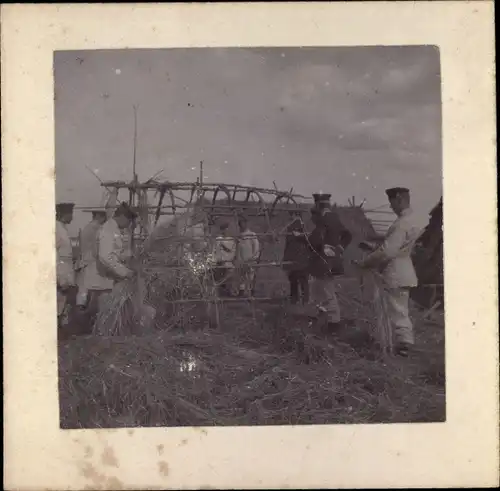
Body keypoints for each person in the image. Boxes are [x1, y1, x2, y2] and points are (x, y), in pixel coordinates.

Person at [356, 187, 422, 357]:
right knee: (400, 309)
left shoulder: (401, 223)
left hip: (395, 273)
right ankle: (402, 344)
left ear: (399, 199)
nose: (391, 207)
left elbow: (388, 251)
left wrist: (366, 262)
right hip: (405, 270)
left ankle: (401, 345)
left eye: (392, 203)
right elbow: (397, 247)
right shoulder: (413, 220)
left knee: (395, 310)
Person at [85, 202, 138, 330]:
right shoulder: (108, 230)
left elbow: (113, 253)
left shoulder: (112, 229)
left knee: (106, 316)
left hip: (107, 278)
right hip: (103, 279)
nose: (129, 225)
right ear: (123, 217)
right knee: (105, 318)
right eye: (129, 221)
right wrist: (125, 272)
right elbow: (106, 257)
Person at [307, 193, 353, 330]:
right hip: (332, 261)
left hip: (324, 262)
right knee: (317, 289)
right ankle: (321, 317)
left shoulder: (323, 219)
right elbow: (347, 235)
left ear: (318, 205)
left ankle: (334, 324)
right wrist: (340, 248)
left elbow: (316, 240)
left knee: (326, 292)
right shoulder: (335, 218)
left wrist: (305, 240)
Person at [75, 210, 108, 310]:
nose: (105, 219)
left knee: (83, 289)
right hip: (92, 261)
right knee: (95, 289)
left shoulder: (87, 227)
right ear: (98, 215)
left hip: (85, 260)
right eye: (103, 216)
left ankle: (81, 309)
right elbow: (97, 249)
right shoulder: (97, 228)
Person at [56, 202, 76, 331]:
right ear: (65, 214)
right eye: (71, 214)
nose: (72, 217)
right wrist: (60, 277)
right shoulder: (57, 229)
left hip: (66, 270)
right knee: (58, 302)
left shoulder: (62, 228)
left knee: (62, 303)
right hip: (60, 271)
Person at [282, 212, 310, 305]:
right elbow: (288, 245)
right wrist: (285, 259)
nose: (291, 217)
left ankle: (303, 301)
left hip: (301, 259)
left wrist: (300, 235)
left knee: (301, 280)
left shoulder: (302, 226)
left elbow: (309, 239)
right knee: (295, 281)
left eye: (292, 215)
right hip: (294, 260)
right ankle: (296, 300)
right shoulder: (290, 228)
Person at [235, 216, 260, 297]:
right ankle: (241, 292)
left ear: (246, 224)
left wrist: (254, 257)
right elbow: (238, 249)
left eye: (243, 223)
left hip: (251, 259)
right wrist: (238, 259)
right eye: (240, 224)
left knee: (250, 276)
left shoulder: (252, 234)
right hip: (242, 259)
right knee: (242, 276)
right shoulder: (239, 236)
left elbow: (256, 247)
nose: (241, 226)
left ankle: (251, 293)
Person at [212, 222, 237, 296]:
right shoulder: (218, 239)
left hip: (228, 262)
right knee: (218, 275)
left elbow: (232, 251)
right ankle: (218, 290)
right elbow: (214, 250)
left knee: (231, 273)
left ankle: (226, 289)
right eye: (223, 230)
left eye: (226, 229)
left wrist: (224, 246)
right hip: (219, 262)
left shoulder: (231, 240)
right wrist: (215, 260)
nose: (225, 231)